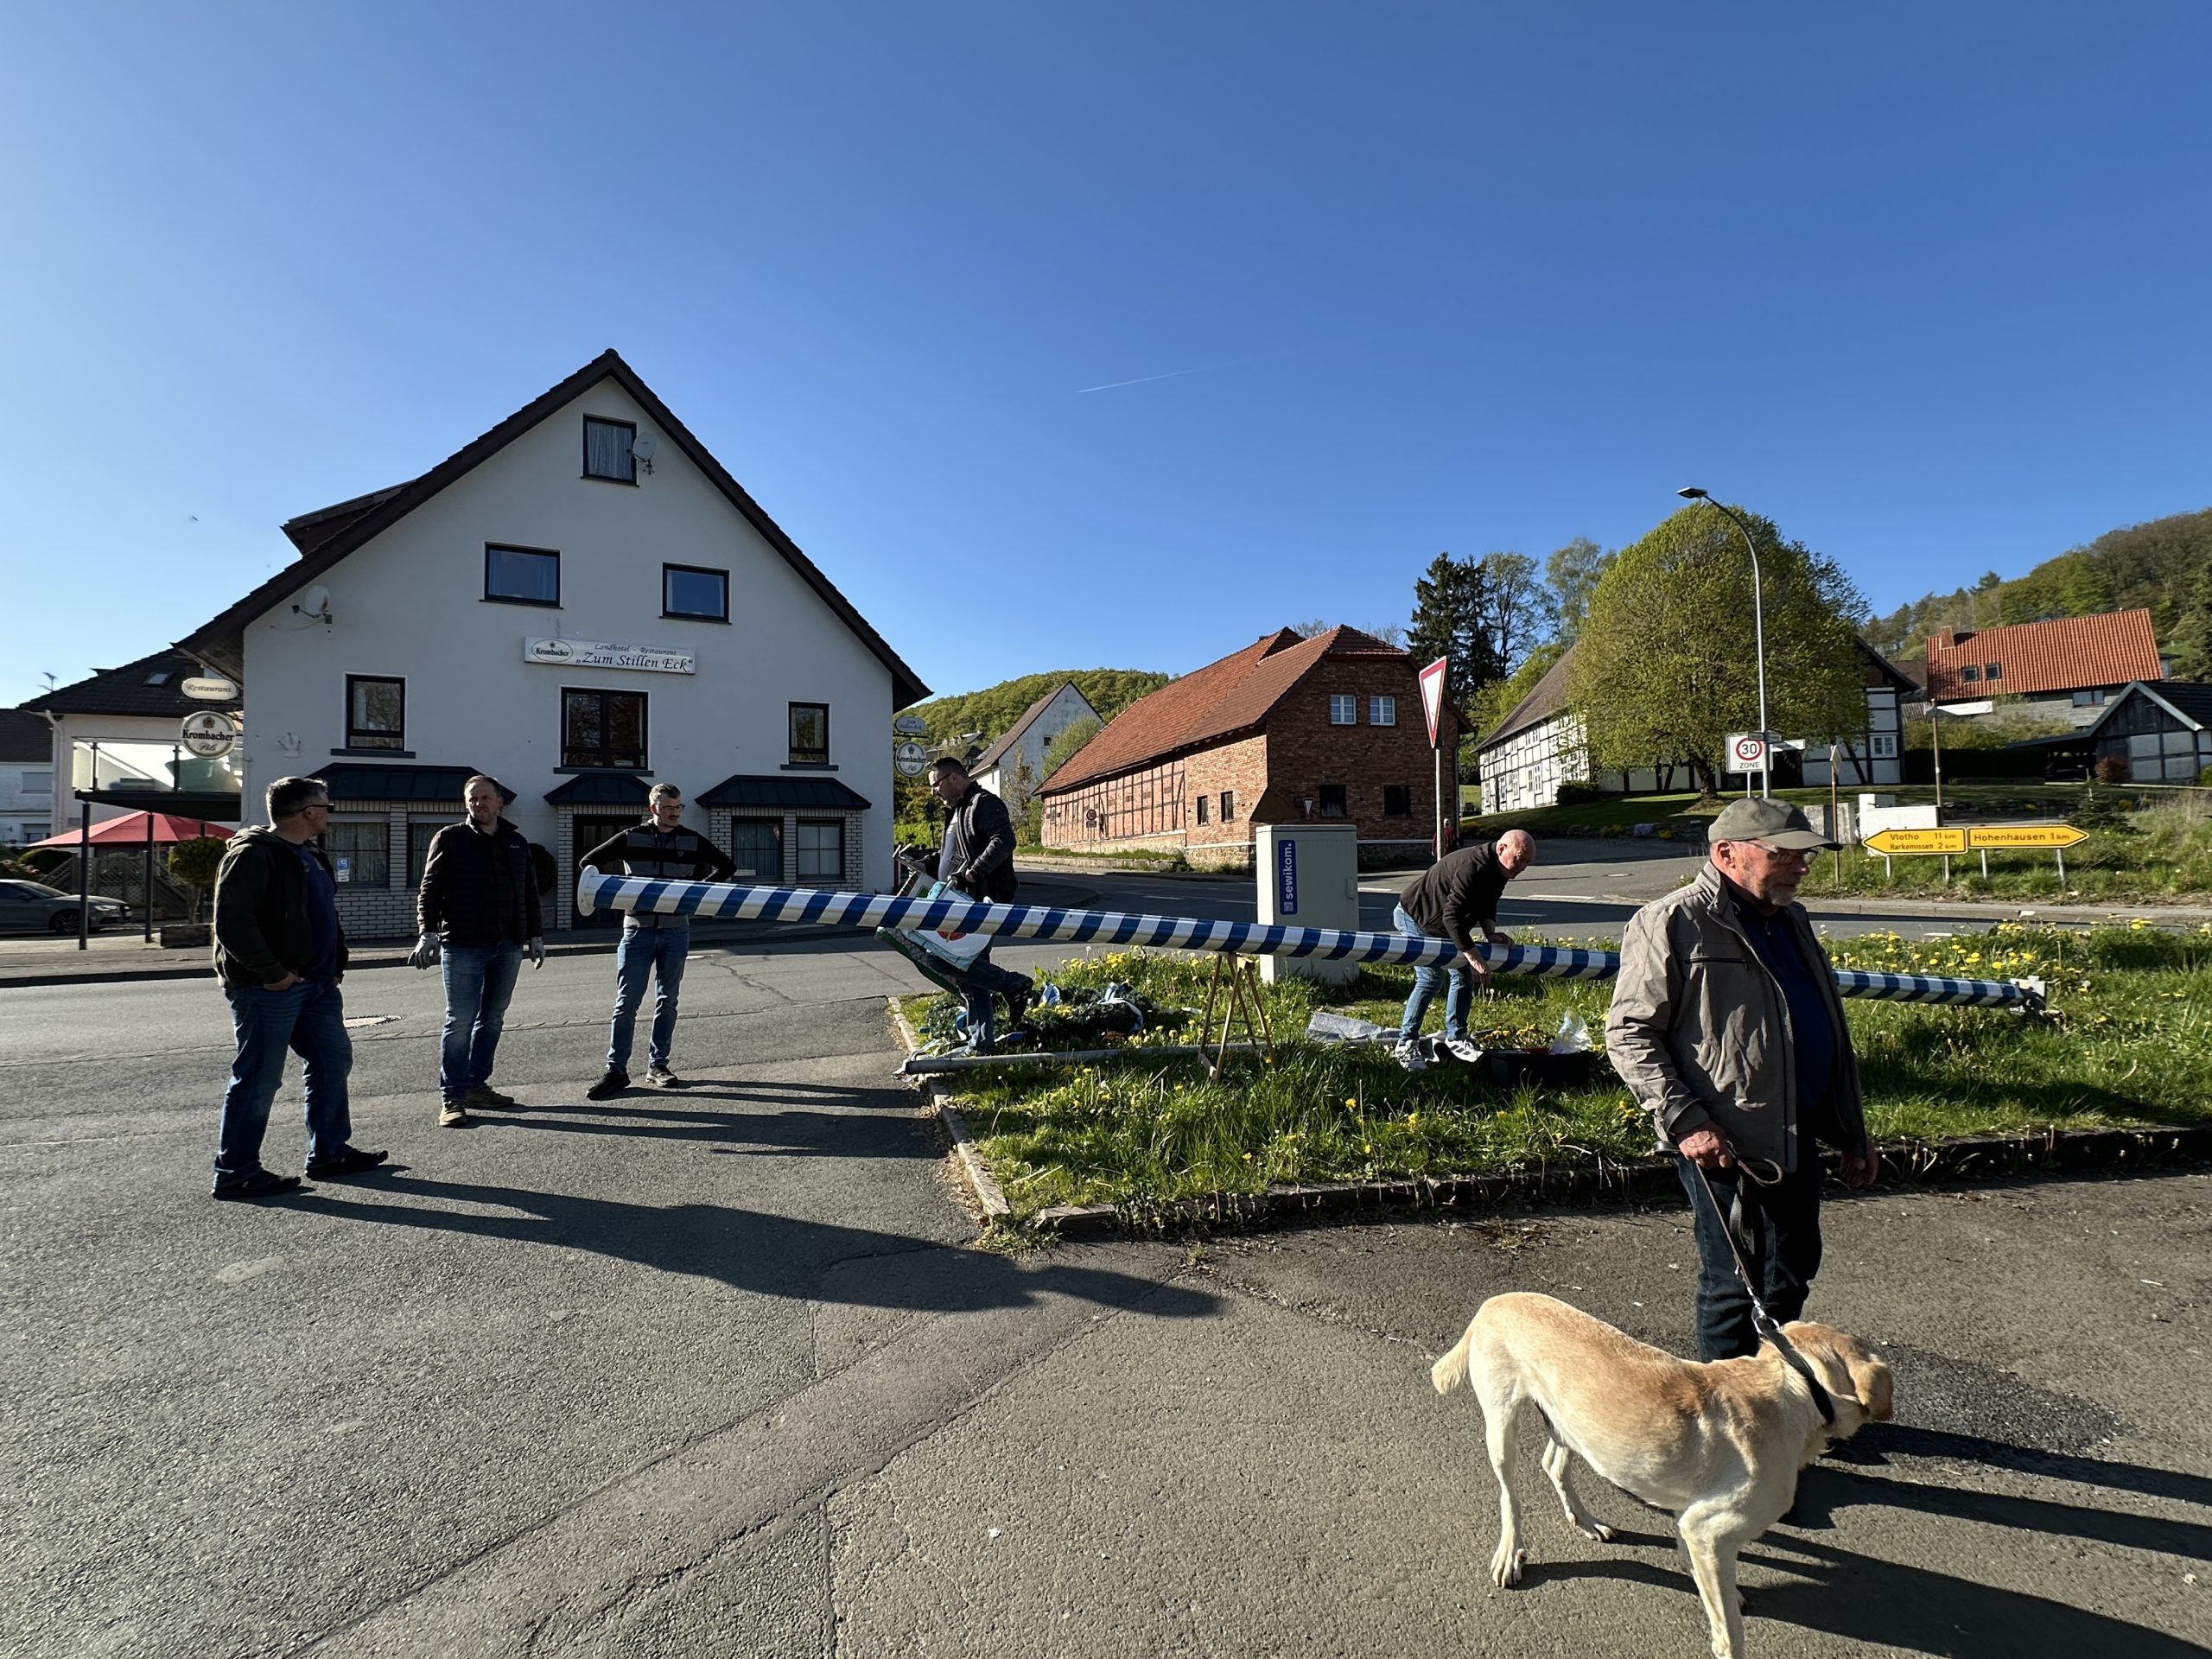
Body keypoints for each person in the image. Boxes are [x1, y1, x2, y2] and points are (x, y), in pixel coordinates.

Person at [1606, 797, 1881, 1362]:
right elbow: (1629, 1033)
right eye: (1785, 854)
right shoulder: (1671, 922)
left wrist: (1852, 1132)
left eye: (1805, 855)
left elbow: (1822, 1024)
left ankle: (1773, 1396)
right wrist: (1686, 1120)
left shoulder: (1792, 920)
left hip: (1796, 1131)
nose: (1801, 867)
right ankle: (1726, 1419)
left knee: (1793, 1269)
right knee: (1736, 1284)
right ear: (1726, 853)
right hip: (1724, 1143)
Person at [208, 775, 385, 1198]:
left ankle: (329, 1153)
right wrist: (274, 974)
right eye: (326, 806)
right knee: (259, 1077)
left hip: (319, 986)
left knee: (332, 1061)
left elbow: (324, 913)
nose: (329, 813)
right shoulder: (253, 855)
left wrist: (336, 962)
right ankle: (236, 1171)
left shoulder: (311, 854)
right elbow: (233, 923)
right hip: (271, 988)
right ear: (308, 812)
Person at [580, 785, 735, 1096]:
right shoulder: (630, 837)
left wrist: (697, 893)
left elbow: (727, 866)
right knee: (626, 1004)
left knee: (667, 1001)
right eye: (668, 808)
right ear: (653, 808)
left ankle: (658, 1065)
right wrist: (618, 889)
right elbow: (589, 863)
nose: (675, 813)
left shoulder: (691, 839)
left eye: (679, 807)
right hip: (636, 930)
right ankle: (616, 1071)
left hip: (676, 931)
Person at [410, 775, 544, 1127]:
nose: (478, 804)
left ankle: (476, 1085)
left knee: (493, 1018)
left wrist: (536, 935)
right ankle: (452, 1098)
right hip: (463, 945)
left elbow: (528, 892)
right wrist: (427, 933)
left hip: (508, 945)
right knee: (460, 1022)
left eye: (485, 798)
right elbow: (430, 889)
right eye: (472, 799)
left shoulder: (516, 842)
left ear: (500, 801)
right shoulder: (450, 839)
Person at [899, 754, 1032, 1052]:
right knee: (968, 967)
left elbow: (1004, 841)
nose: (935, 792)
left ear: (954, 779)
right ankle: (981, 1040)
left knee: (948, 959)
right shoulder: (959, 810)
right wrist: (928, 863)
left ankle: (1012, 986)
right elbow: (955, 853)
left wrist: (973, 873)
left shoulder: (983, 804)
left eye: (936, 785)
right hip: (960, 901)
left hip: (980, 901)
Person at [1390, 829, 1536, 1071]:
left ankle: (1456, 1037)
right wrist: (1473, 956)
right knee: (1431, 978)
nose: (1522, 867)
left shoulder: (1501, 869)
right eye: (1520, 858)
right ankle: (1406, 1042)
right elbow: (1451, 917)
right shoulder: (1472, 866)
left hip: (1444, 924)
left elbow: (1489, 902)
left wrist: (1490, 934)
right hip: (1416, 916)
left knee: (1462, 975)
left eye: (1527, 862)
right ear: (1502, 849)